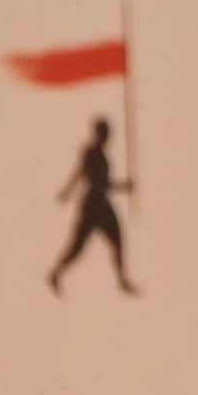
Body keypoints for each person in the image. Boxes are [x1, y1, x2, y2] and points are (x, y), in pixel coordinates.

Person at [48, 116, 138, 296]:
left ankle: (122, 280)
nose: (108, 137)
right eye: (105, 133)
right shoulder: (91, 152)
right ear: (99, 133)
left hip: (102, 202)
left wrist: (67, 191)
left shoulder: (101, 154)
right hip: (92, 205)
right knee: (77, 247)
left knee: (117, 240)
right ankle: (55, 273)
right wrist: (123, 186)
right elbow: (85, 175)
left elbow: (90, 178)